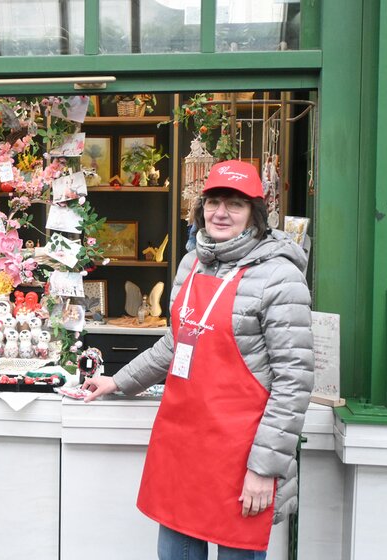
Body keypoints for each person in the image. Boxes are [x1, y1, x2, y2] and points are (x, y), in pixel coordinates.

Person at [83, 160, 314, 560]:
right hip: (184, 445)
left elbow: (293, 384)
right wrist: (118, 381)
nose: (221, 213)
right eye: (214, 202)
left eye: (235, 205)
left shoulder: (280, 276)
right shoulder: (192, 263)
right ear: (200, 207)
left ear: (255, 214)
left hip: (242, 454)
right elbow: (175, 344)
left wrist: (263, 468)